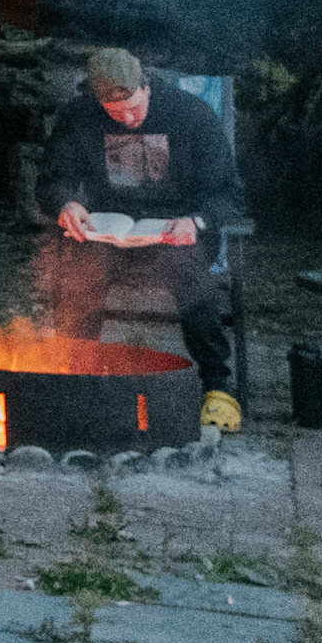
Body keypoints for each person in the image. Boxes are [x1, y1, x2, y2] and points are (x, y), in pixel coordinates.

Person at [43, 45, 244, 389]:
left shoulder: (191, 114)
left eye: (134, 107)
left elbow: (227, 190)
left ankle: (216, 381)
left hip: (174, 233)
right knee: (81, 266)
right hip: (109, 234)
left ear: (147, 87)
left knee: (190, 272)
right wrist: (65, 204)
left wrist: (196, 222)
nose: (129, 119)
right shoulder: (79, 116)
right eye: (115, 113)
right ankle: (73, 373)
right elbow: (52, 179)